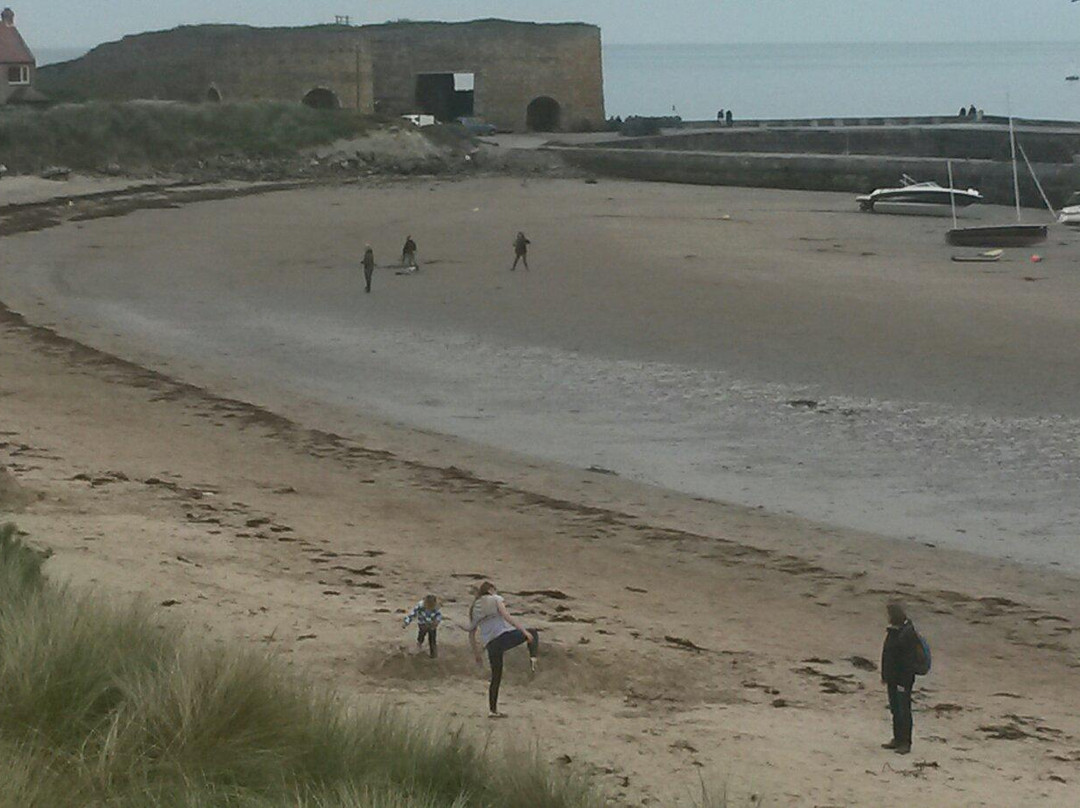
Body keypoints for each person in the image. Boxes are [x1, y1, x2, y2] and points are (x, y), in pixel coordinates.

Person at [468, 581, 538, 717]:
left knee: (496, 677)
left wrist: (477, 653)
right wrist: (524, 631)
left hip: (490, 644)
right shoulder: (495, 599)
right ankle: (533, 659)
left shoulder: (474, 607)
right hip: (502, 637)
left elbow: (471, 632)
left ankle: (492, 711)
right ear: (491, 589)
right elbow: (507, 617)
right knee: (533, 633)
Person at [881, 602, 921, 755]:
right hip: (892, 678)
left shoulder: (907, 633)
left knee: (904, 710)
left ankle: (906, 742)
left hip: (902, 679)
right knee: (895, 709)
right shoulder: (893, 631)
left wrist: (902, 681)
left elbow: (907, 661)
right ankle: (897, 739)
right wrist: (885, 676)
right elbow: (887, 655)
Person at [403, 594, 443, 658]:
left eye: (431, 607)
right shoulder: (420, 606)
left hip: (432, 624)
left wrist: (436, 622)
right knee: (421, 634)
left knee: (432, 639)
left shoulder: (436, 607)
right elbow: (412, 615)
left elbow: (439, 616)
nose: (429, 608)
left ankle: (433, 654)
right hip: (422, 623)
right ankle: (419, 647)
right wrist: (406, 622)